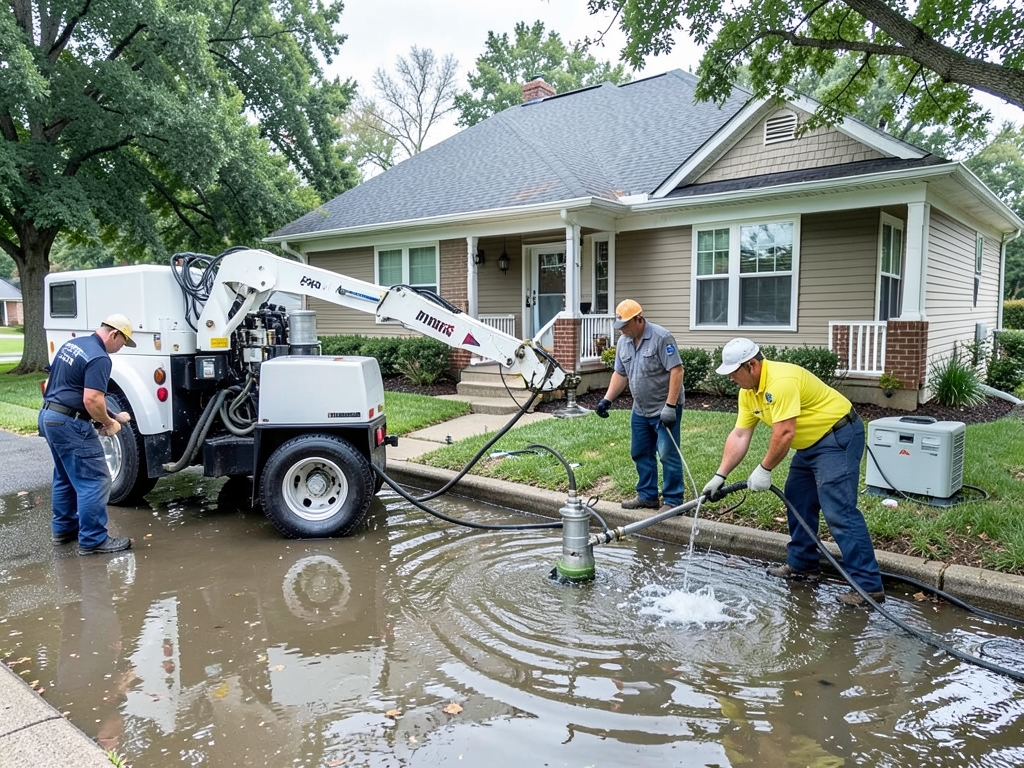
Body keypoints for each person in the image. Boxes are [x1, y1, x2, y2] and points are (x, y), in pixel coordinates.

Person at [701, 338, 884, 606]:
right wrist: (720, 475)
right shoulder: (748, 392)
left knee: (839, 510)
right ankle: (804, 566)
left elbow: (784, 432)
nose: (730, 379)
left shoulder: (781, 381)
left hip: (837, 435)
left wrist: (764, 469)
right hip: (809, 444)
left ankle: (869, 588)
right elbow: (740, 434)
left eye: (733, 373)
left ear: (751, 365)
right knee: (797, 498)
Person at [39, 314, 136, 555]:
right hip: (70, 423)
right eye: (123, 342)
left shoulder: (74, 344)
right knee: (95, 479)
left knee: (64, 476)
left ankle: (64, 530)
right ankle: (93, 540)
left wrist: (113, 415)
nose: (120, 348)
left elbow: (64, 384)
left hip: (50, 416)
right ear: (114, 334)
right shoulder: (100, 357)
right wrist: (108, 424)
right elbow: (91, 398)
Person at [595, 299, 684, 512]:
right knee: (640, 451)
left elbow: (677, 370)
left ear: (639, 319)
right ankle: (647, 496)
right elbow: (620, 373)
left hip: (664, 408)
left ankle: (673, 500)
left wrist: (670, 406)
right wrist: (607, 399)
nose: (622, 330)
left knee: (666, 453)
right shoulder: (624, 342)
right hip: (640, 409)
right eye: (620, 327)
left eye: (626, 325)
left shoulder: (662, 337)